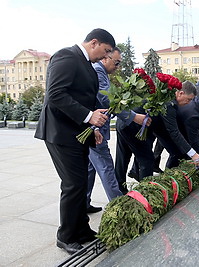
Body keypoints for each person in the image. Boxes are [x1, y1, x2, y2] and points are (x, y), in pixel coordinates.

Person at [34, 28, 115, 254]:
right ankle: (66, 235)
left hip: (77, 132)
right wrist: (89, 117)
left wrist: (91, 126)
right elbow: (56, 95)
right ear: (94, 42)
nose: (105, 57)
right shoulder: (66, 56)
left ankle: (81, 230)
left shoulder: (85, 63)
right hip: (59, 133)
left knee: (80, 184)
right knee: (72, 184)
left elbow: (80, 99)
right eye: (106, 51)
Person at [86, 47, 149, 213]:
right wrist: (134, 116)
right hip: (95, 129)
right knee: (106, 167)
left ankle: (83, 203)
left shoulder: (101, 72)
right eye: (116, 63)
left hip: (94, 128)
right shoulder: (98, 71)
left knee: (90, 168)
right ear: (105, 58)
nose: (118, 67)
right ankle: (121, 209)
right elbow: (106, 100)